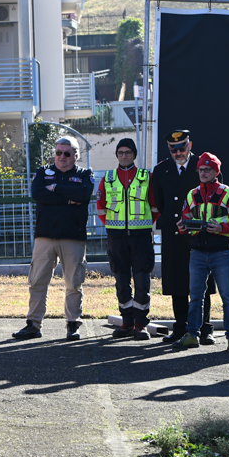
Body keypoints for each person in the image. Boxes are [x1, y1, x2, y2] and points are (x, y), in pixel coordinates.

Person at [12, 136, 95, 341]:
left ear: (76, 155)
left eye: (67, 153)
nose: (62, 157)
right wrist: (69, 198)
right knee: (37, 281)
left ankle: (72, 324)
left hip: (73, 237)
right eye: (58, 153)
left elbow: (84, 194)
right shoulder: (43, 173)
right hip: (45, 236)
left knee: (74, 283)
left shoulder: (85, 174)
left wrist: (56, 189)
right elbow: (38, 194)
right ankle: (33, 325)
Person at [173, 152, 229, 353]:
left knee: (227, 296)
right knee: (195, 296)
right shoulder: (192, 194)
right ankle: (192, 335)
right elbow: (185, 221)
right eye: (200, 170)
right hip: (197, 252)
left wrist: (221, 229)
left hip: (221, 252)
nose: (202, 173)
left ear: (216, 172)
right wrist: (181, 226)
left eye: (207, 170)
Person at [151, 129, 217, 344]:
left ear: (190, 145)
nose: (179, 152)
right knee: (176, 281)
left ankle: (204, 328)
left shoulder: (205, 165)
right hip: (173, 233)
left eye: (182, 147)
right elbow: (161, 203)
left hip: (199, 233)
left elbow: (216, 197)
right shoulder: (161, 170)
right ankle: (180, 327)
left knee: (201, 283)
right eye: (174, 149)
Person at [96, 138, 159, 340]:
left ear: (134, 155)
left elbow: (155, 207)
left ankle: (140, 323)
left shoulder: (146, 177)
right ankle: (126, 322)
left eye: (128, 152)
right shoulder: (108, 178)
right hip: (116, 237)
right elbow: (101, 208)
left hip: (141, 237)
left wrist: (143, 224)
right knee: (121, 279)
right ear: (117, 155)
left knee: (142, 279)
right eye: (121, 152)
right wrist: (114, 226)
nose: (124, 156)